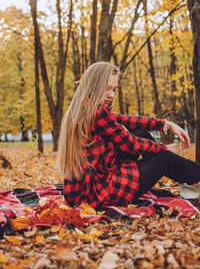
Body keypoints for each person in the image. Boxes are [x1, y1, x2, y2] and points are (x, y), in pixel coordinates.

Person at [57, 61, 200, 210]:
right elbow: (130, 144)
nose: (111, 95)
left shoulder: (84, 107)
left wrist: (165, 124)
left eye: (114, 89)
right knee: (164, 158)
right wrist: (164, 149)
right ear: (94, 85)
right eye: (107, 89)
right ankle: (189, 179)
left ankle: (186, 181)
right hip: (96, 193)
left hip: (85, 190)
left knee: (139, 133)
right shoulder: (97, 112)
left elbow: (126, 120)